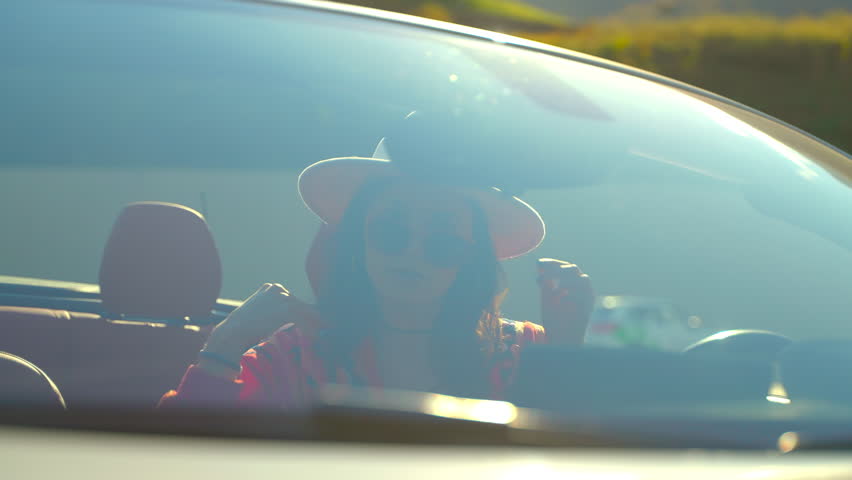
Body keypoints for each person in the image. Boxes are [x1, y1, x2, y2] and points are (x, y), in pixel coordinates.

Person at [160, 118, 594, 408]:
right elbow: (176, 458)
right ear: (357, 239)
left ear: (472, 256)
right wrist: (225, 344)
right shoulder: (293, 354)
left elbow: (568, 456)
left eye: (442, 240)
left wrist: (567, 350)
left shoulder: (521, 351)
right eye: (391, 231)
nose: (411, 252)